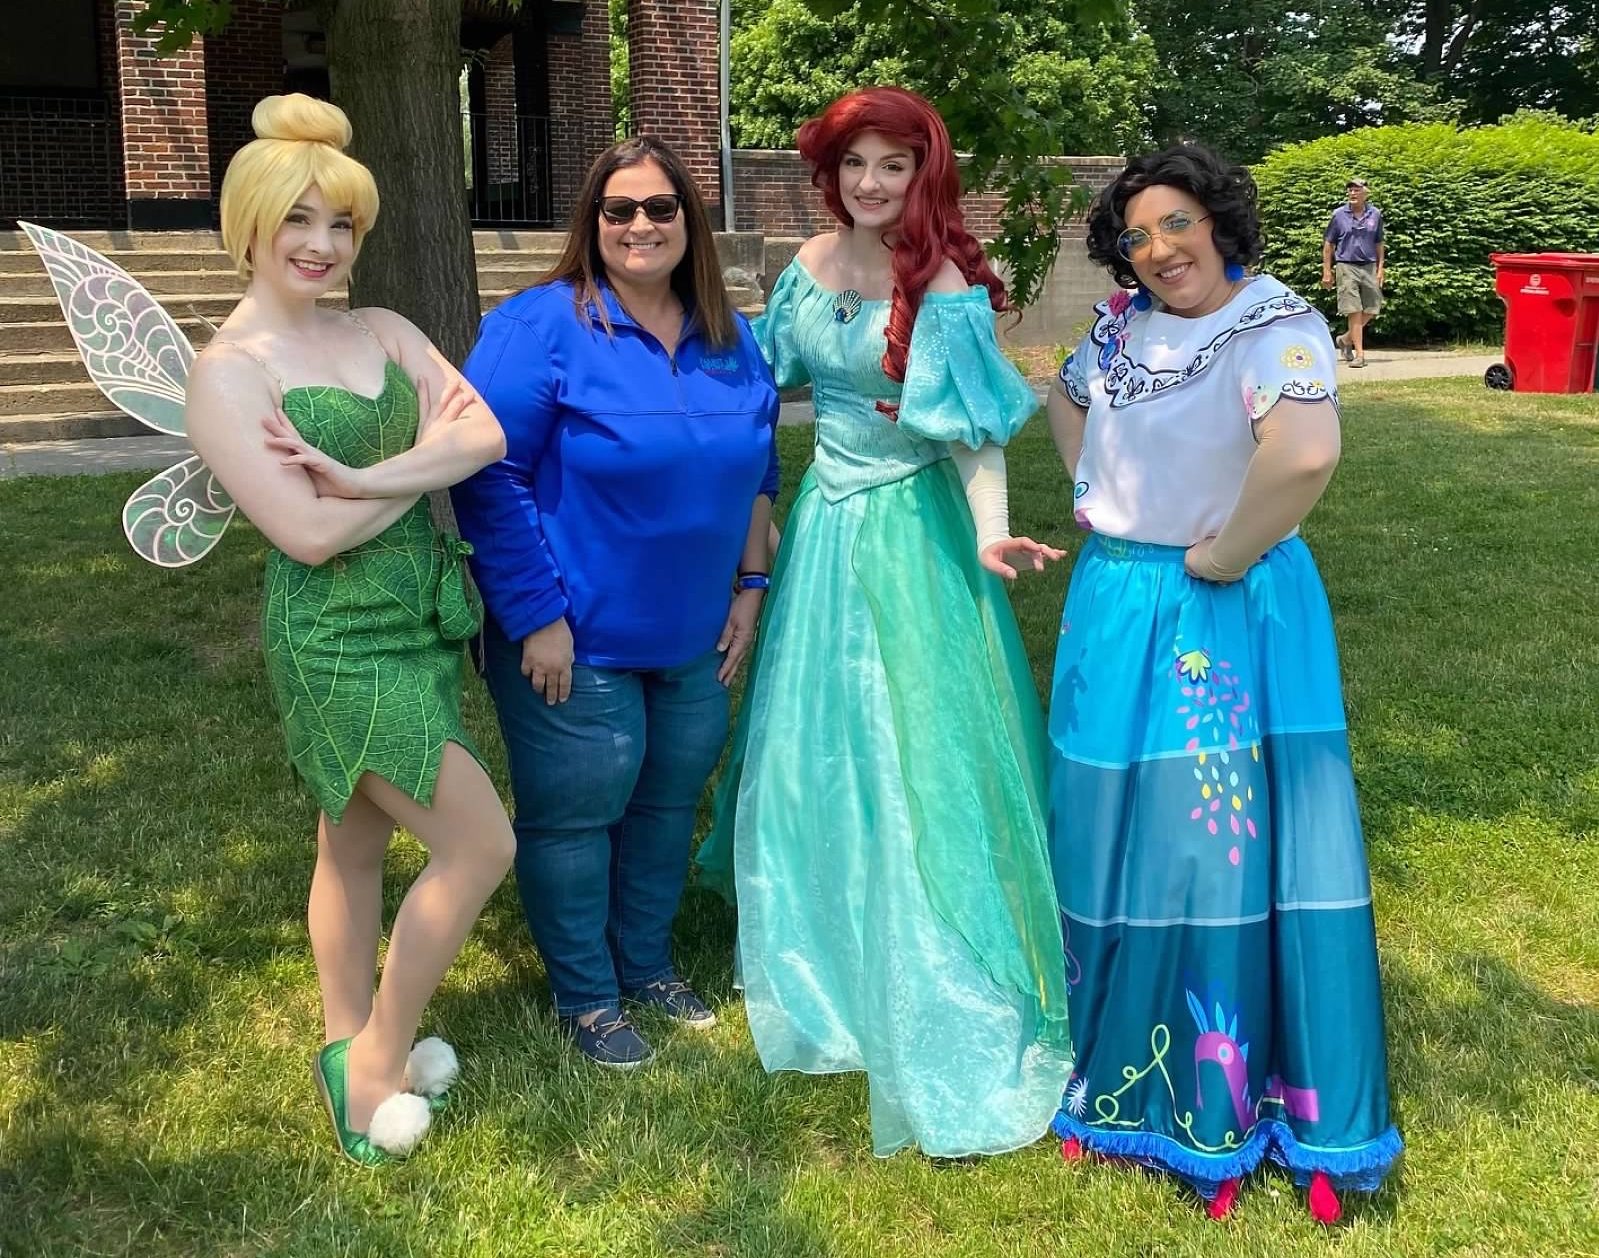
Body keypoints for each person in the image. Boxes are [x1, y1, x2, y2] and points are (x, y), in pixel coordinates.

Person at [696, 86, 1074, 1159]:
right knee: (815, 742)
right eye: (854, 163)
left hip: (914, 533)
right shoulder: (806, 266)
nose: (870, 182)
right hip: (823, 532)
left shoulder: (943, 285)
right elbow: (759, 386)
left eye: (892, 165)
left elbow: (974, 435)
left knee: (918, 748)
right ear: (831, 172)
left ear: (922, 175)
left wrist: (989, 533)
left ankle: (927, 962)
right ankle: (817, 953)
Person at [1046, 143, 1402, 1219]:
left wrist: (1220, 554)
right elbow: (1065, 398)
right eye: (1137, 235)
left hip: (1222, 609)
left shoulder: (1272, 323)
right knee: (1104, 825)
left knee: (1210, 849)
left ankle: (1224, 1098)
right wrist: (1101, 490)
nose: (1159, 249)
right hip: (1117, 605)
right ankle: (1108, 1058)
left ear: (1218, 222)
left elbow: (1302, 453)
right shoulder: (1119, 326)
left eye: (1177, 223)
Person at [182, 94, 516, 1165]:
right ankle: (376, 1061)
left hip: (418, 619)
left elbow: (485, 432)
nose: (322, 245)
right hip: (332, 638)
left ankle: (343, 1039)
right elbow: (308, 534)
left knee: (354, 839)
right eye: (298, 219)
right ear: (249, 223)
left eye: (342, 224)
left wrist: (363, 475)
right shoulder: (228, 374)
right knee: (480, 842)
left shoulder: (385, 330)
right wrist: (418, 469)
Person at [451, 138, 780, 1070]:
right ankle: (586, 996)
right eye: (618, 209)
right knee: (577, 812)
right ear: (591, 221)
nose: (640, 225)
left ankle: (645, 964)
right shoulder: (537, 326)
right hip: (573, 632)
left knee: (667, 803)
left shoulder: (729, 334)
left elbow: (760, 467)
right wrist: (534, 616)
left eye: (660, 207)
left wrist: (751, 587)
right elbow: (486, 471)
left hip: (694, 631)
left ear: (689, 220)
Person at [1321, 178, 1385, 368]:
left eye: (1357, 190)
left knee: (1373, 308)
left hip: (1369, 265)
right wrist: (1327, 271)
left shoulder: (1375, 214)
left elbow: (1379, 242)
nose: (1352, 193)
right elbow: (1328, 244)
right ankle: (1360, 355)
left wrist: (1381, 268)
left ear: (1366, 193)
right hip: (1346, 266)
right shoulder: (1339, 215)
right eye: (1350, 190)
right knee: (1354, 310)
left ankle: (1345, 340)